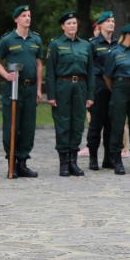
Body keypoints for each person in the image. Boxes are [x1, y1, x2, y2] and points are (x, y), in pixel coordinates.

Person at [0, 4, 43, 178]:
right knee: (12, 126)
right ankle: (11, 162)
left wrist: (39, 89)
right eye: (23, 16)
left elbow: (38, 64)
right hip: (13, 88)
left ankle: (23, 163)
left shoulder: (36, 39)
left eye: (29, 15)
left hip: (30, 87)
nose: (27, 18)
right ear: (16, 19)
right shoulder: (7, 40)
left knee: (28, 127)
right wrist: (6, 74)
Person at [45, 10, 95, 177]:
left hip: (80, 85)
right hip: (62, 85)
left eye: (74, 23)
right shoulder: (56, 45)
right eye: (69, 23)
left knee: (78, 124)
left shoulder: (85, 45)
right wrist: (51, 95)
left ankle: (74, 161)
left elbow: (90, 72)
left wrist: (90, 95)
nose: (72, 26)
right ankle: (64, 163)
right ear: (62, 26)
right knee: (63, 124)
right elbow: (50, 72)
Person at [103, 24, 130, 175]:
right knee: (118, 125)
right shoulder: (114, 52)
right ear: (128, 35)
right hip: (120, 88)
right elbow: (107, 76)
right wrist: (116, 90)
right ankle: (117, 161)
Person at [86, 10, 117, 170]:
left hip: (114, 90)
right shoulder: (93, 44)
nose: (111, 23)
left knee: (111, 125)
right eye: (108, 21)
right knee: (96, 126)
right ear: (100, 25)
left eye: (113, 20)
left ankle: (108, 158)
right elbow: (89, 69)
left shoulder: (118, 44)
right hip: (98, 89)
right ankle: (93, 157)